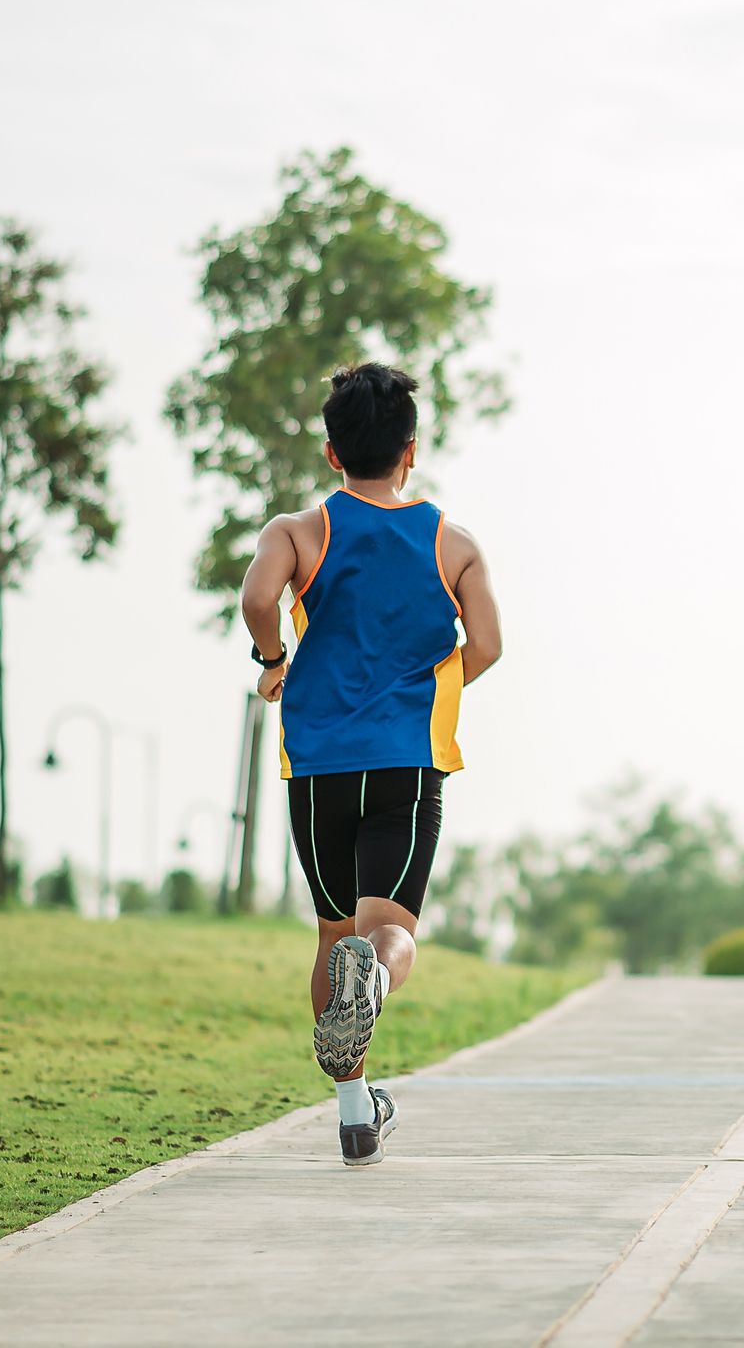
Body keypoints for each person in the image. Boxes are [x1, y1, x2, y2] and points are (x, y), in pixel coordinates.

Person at [239, 362, 503, 1166]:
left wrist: (273, 654)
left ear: (331, 453)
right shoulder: (451, 542)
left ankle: (356, 1113)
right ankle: (378, 980)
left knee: (331, 933)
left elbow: (257, 598)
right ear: (410, 451)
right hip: (406, 760)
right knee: (388, 929)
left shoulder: (297, 531)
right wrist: (428, 681)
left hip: (318, 762)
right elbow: (488, 645)